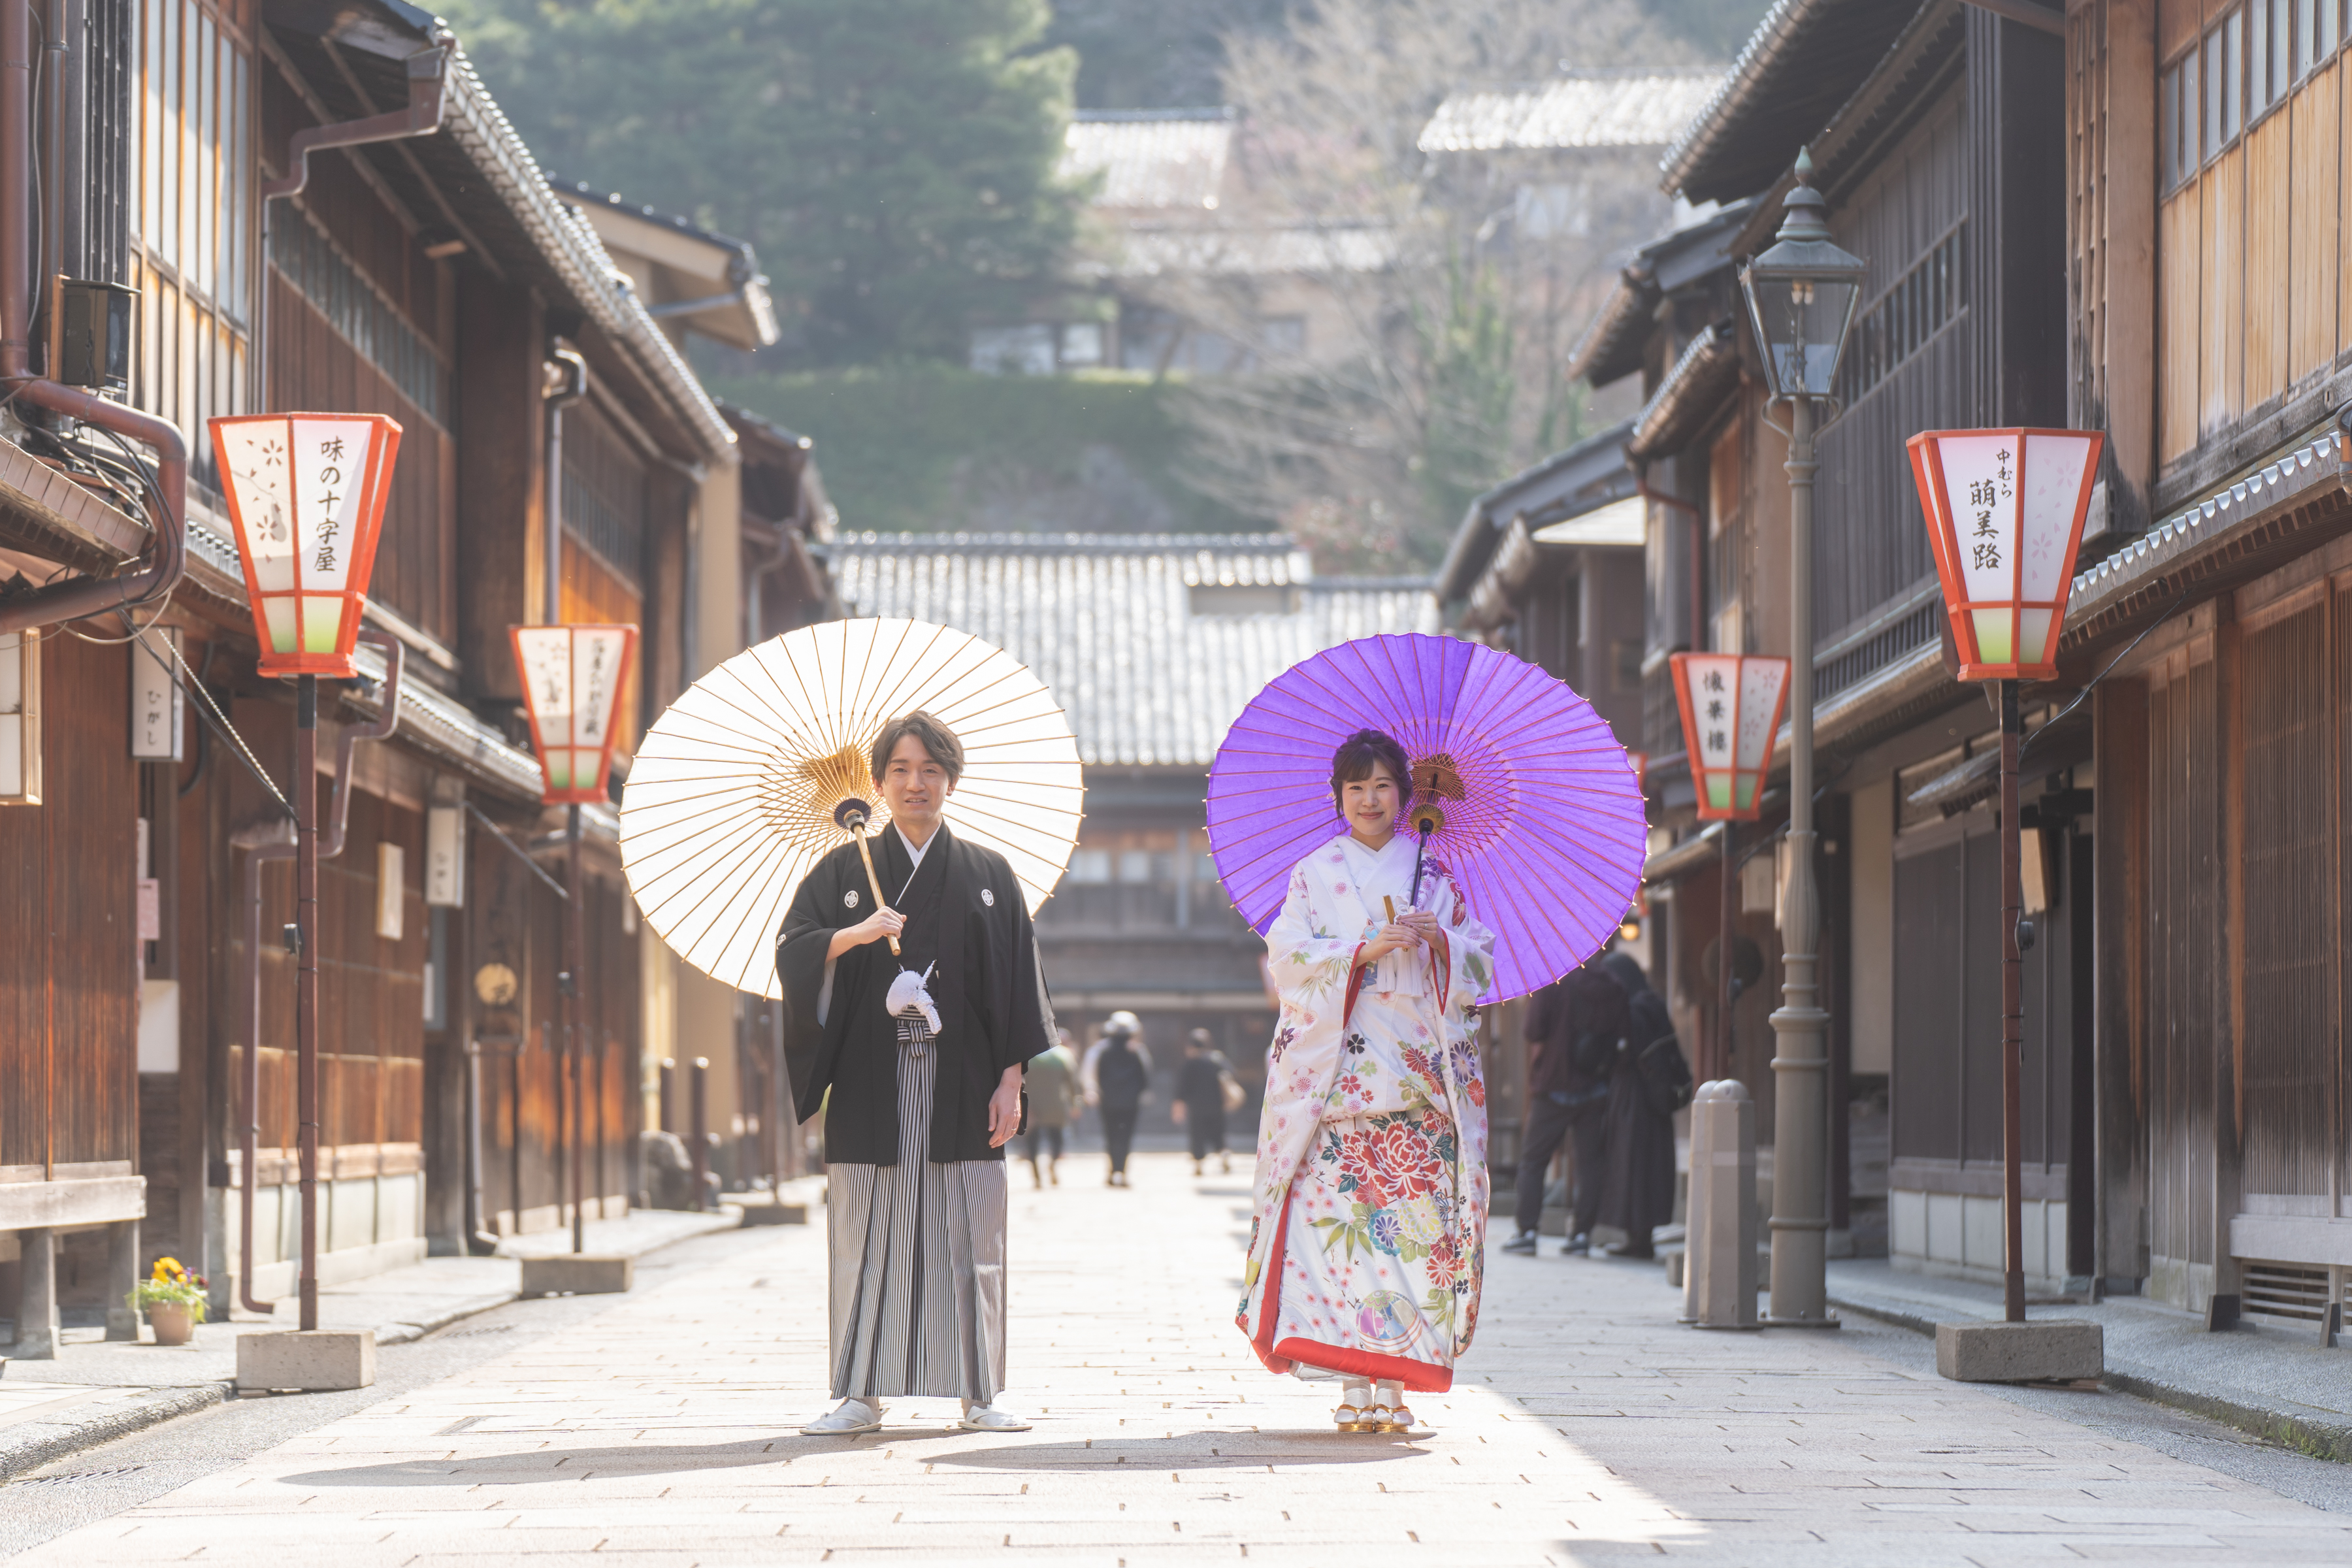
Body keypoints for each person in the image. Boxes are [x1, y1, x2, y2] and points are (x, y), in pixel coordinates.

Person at [776, 711, 1053, 1436]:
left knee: (970, 1231)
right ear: (877, 784)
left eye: (930, 770)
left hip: (964, 1081)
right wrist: (856, 935)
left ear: (951, 781)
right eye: (900, 770)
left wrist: (1011, 1080)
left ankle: (981, 1392)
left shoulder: (989, 875)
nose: (915, 783)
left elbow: (1018, 982)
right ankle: (860, 1393)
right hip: (873, 1080)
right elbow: (795, 951)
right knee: (868, 1232)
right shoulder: (844, 871)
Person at [1237, 728, 1497, 1435]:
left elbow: (1481, 963)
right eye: (1356, 788)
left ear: (1405, 796)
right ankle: (1354, 1382)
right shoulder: (1315, 873)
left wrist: (1441, 943)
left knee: (1412, 1238)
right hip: (1340, 1083)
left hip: (1418, 1078)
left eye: (1383, 786)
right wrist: (1359, 951)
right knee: (1343, 1236)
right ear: (1337, 798)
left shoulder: (1435, 877)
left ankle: (1398, 1383)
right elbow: (1288, 959)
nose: (1370, 799)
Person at [1503, 957, 1628, 1258]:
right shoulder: (1612, 985)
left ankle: (1529, 1231)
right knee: (1589, 1165)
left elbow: (1533, 1030)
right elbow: (1623, 1032)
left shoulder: (1555, 980)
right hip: (1596, 1085)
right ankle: (1582, 1235)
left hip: (1555, 1084)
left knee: (1534, 1160)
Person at [1596, 951, 1679, 1260]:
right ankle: (1641, 1237)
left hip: (1634, 1098)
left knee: (1631, 1165)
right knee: (1648, 1167)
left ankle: (1638, 1237)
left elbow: (1628, 1053)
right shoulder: (1653, 1004)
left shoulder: (1634, 1010)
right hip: (1654, 1102)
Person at [1085, 1012, 1152, 1186]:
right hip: (1130, 1103)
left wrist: (1096, 1092)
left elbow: (1095, 1075)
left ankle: (1112, 1171)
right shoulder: (1137, 1051)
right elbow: (1145, 1077)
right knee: (1126, 1137)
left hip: (1108, 1102)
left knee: (1111, 1136)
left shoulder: (1103, 1051)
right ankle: (1122, 1172)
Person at [1173, 1028, 1237, 1176]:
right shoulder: (1217, 1059)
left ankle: (1198, 1164)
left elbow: (1182, 1088)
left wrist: (1179, 1106)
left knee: (1197, 1135)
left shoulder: (1190, 1063)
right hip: (1217, 1105)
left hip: (1197, 1107)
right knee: (1218, 1133)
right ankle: (1224, 1155)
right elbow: (1232, 1075)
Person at [1022, 1028, 1080, 1188]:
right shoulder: (1063, 1056)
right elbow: (1073, 1083)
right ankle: (1053, 1164)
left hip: (1031, 1105)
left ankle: (1036, 1176)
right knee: (1056, 1138)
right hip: (1056, 1105)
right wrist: (1076, 1103)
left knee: (1032, 1141)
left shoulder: (1028, 1056)